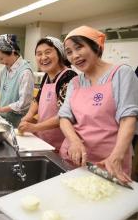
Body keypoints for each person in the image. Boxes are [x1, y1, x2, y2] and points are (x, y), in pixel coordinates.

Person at [59, 25, 138, 183]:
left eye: (79, 47)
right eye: (69, 52)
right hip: (75, 159)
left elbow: (128, 117)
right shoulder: (75, 82)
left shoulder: (121, 73)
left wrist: (116, 156)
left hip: (109, 161)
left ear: (96, 46)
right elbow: (64, 117)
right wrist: (74, 141)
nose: (75, 56)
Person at [18, 37, 77, 151]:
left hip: (60, 142)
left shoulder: (68, 77)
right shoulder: (47, 75)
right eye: (39, 54)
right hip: (43, 138)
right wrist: (29, 116)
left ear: (60, 53)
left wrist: (35, 127)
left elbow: (64, 116)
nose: (43, 57)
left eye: (48, 52)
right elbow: (37, 100)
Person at [0, 34, 34, 127]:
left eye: (1, 58)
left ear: (12, 52)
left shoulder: (25, 73)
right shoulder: (4, 69)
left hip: (17, 122)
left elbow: (23, 103)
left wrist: (0, 109)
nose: (0, 62)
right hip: (3, 118)